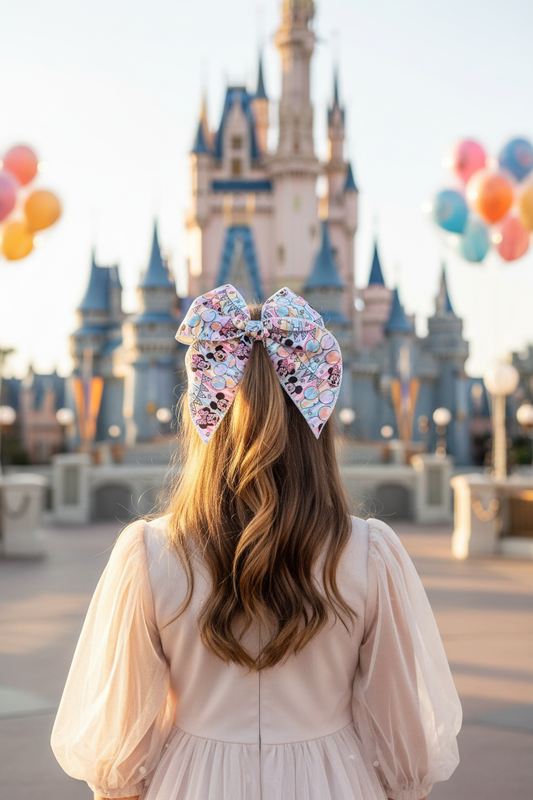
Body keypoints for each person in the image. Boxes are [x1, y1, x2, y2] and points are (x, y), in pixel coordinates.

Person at [51, 285, 462, 800]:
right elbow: (406, 751)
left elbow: (121, 758)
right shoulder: (369, 553)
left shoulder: (148, 554)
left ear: (204, 418)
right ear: (319, 420)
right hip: (332, 783)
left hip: (193, 784)